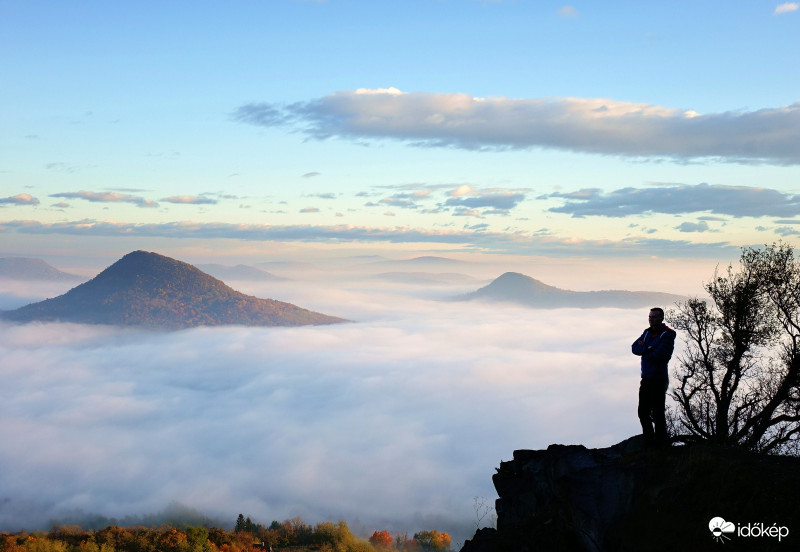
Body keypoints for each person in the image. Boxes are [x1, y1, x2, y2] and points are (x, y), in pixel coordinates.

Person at [632, 307, 676, 447]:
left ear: (661, 318)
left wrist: (645, 349)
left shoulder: (668, 334)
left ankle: (661, 444)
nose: (651, 319)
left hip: (659, 379)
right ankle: (649, 441)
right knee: (643, 412)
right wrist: (649, 348)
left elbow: (661, 356)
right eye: (650, 317)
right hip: (646, 379)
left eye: (655, 317)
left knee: (658, 413)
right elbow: (634, 348)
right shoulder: (647, 333)